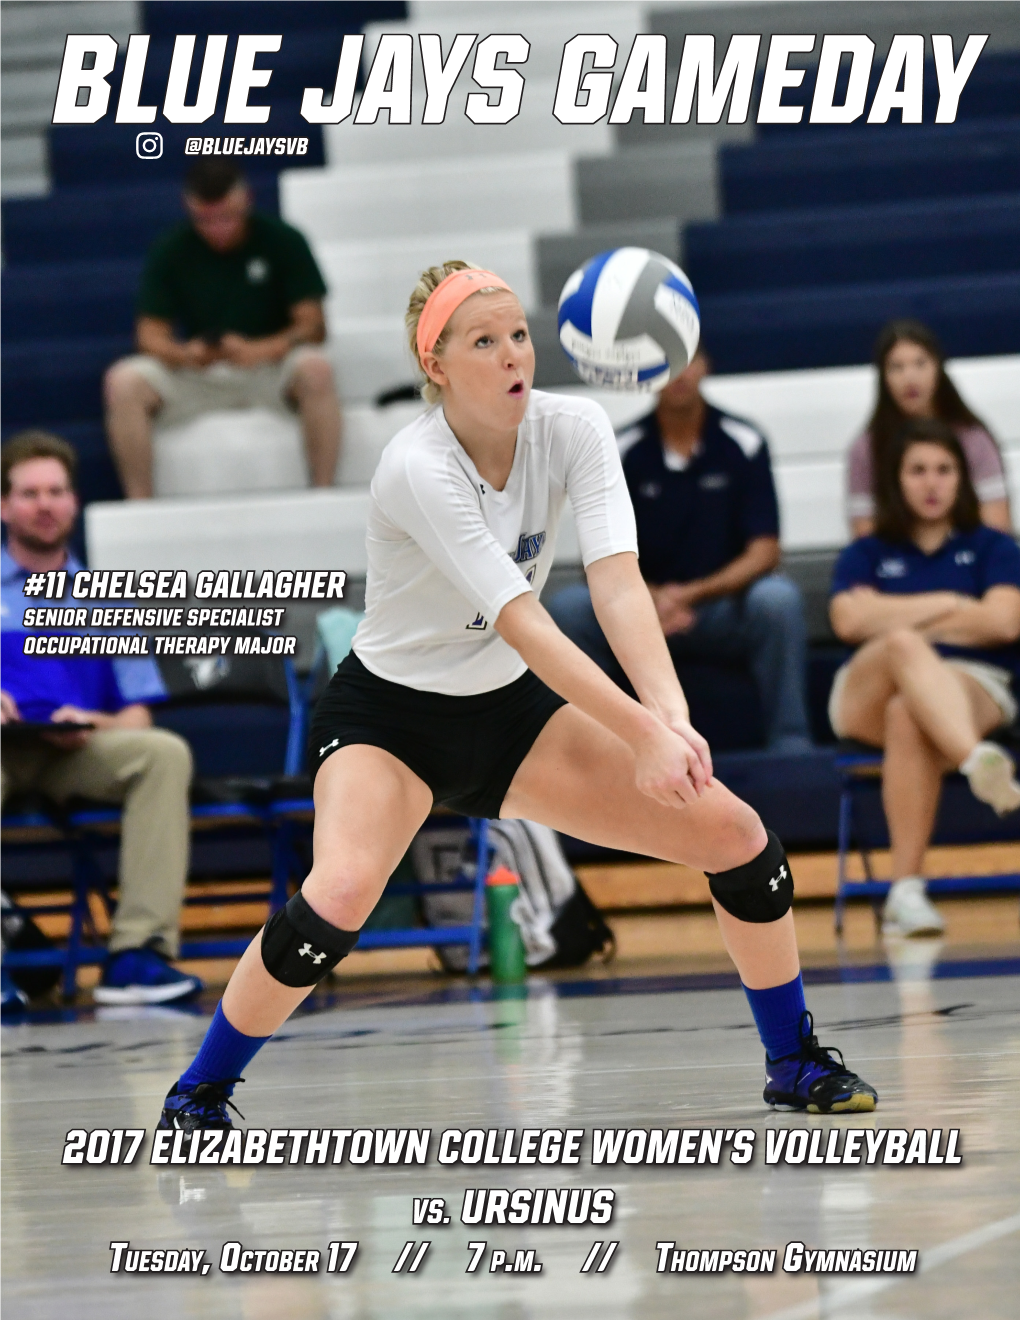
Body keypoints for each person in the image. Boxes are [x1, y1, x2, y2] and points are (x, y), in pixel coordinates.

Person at [159, 261, 877, 1132]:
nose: (512, 357)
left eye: (520, 336)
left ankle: (793, 1063)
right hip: (389, 718)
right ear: (438, 367)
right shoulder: (415, 466)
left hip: (511, 716)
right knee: (341, 890)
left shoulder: (573, 427)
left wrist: (671, 719)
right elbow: (523, 620)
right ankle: (201, 1091)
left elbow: (618, 584)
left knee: (738, 838)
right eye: (484, 341)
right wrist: (642, 733)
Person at [0, 432, 200, 1003]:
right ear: (3, 505)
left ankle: (137, 955)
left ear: (73, 501)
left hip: (72, 755)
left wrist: (93, 721)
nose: (44, 504)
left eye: (56, 491)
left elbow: (137, 713)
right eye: (29, 492)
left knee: (163, 752)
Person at [548, 349, 811, 752]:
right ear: (643, 374)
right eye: (665, 362)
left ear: (706, 364)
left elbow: (765, 551)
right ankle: (587, 752)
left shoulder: (744, 440)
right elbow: (596, 554)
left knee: (778, 601)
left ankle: (791, 745)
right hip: (637, 610)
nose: (679, 374)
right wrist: (649, 599)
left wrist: (688, 596)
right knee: (569, 609)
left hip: (719, 608)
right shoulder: (619, 448)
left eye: (686, 358)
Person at [829, 418, 1020, 937]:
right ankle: (973, 759)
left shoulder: (993, 548)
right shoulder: (866, 553)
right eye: (917, 470)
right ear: (896, 479)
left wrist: (889, 609)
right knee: (901, 646)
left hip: (972, 680)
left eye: (944, 469)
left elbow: (1004, 621)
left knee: (908, 711)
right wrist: (951, 603)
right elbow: (848, 622)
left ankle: (906, 893)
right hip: (870, 683)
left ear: (962, 479)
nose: (931, 482)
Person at [104, 159, 341, 498]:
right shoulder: (171, 249)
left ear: (246, 200)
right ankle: (140, 503)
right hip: (201, 369)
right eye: (204, 219)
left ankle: (323, 493)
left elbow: (314, 326)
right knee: (123, 381)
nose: (217, 228)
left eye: (226, 217)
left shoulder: (282, 240)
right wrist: (187, 353)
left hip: (269, 367)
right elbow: (149, 336)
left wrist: (259, 349)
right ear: (189, 207)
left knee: (316, 369)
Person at [846, 319, 1011, 540]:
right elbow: (864, 539)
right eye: (897, 367)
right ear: (883, 377)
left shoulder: (973, 439)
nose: (909, 378)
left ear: (938, 368)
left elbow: (998, 528)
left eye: (920, 363)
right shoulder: (867, 449)